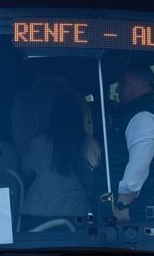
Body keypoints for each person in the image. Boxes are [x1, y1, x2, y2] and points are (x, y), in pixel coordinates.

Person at [21, 91, 101, 225]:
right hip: (78, 214)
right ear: (79, 117)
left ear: (53, 116)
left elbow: (25, 170)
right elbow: (94, 183)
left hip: (37, 213)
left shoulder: (39, 142)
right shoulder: (91, 144)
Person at [110, 63, 154, 222]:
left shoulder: (143, 117)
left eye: (124, 84)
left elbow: (139, 165)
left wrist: (122, 205)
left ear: (144, 84)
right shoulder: (134, 114)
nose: (118, 89)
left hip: (138, 213)